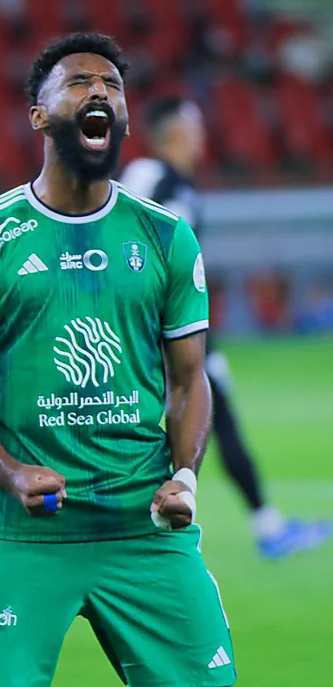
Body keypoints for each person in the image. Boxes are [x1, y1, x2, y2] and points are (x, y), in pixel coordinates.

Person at [0, 33, 235, 687]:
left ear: (124, 119)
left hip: (145, 531)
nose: (100, 90)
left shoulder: (165, 236)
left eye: (112, 86)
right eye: (78, 82)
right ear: (38, 116)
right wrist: (10, 472)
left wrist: (185, 475)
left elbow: (189, 379)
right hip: (23, 536)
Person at [120, 97, 331, 559]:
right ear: (176, 131)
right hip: (149, 333)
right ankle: (260, 526)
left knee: (211, 417)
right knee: (151, 421)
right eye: (194, 126)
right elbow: (133, 253)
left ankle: (265, 524)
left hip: (178, 331)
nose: (202, 135)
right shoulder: (147, 176)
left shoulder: (183, 187)